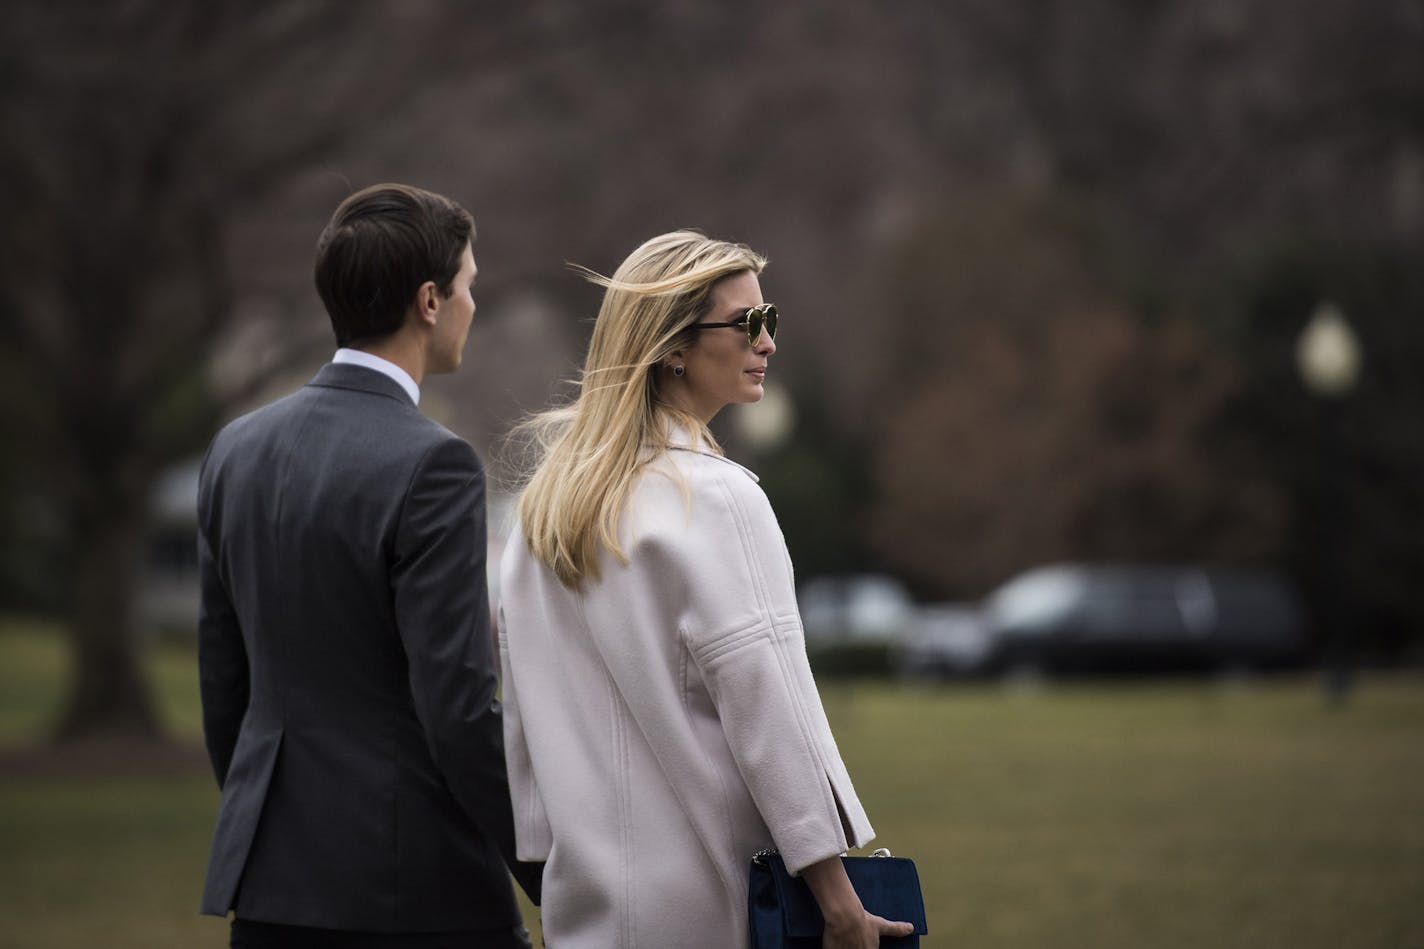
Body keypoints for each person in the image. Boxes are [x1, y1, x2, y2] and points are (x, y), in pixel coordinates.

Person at [498, 231, 916, 948]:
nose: (768, 341)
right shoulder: (718, 499)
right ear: (674, 347)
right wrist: (837, 895)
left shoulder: (544, 511)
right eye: (748, 322)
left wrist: (543, 863)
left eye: (771, 318)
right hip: (713, 907)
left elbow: (524, 723)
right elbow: (769, 708)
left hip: (585, 907)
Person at [197, 183, 541, 949]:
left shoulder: (234, 450)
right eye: (469, 287)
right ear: (429, 300)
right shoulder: (435, 464)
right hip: (417, 894)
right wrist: (552, 871)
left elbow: (226, 688)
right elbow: (458, 707)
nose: (472, 307)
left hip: (270, 888)